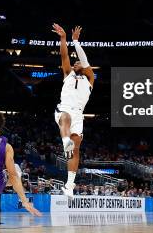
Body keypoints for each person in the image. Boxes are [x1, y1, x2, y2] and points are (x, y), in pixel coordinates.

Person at [51, 24, 95, 197]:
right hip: (65, 108)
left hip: (79, 114)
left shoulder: (90, 78)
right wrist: (63, 39)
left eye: (79, 62)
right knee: (65, 119)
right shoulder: (68, 73)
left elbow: (84, 61)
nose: (76, 63)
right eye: (75, 62)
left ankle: (69, 185)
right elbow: (63, 56)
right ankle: (65, 142)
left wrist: (76, 42)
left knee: (75, 150)